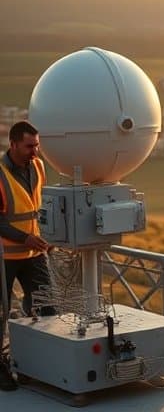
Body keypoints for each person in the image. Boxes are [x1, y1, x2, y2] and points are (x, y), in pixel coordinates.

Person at [0, 120, 55, 391]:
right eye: (29, 146)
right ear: (13, 144)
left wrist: (49, 237)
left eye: (37, 145)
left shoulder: (37, 167)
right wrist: (25, 237)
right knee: (1, 314)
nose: (35, 151)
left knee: (47, 306)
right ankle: (1, 369)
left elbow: (37, 209)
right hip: (5, 257)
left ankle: (38, 364)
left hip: (34, 253)